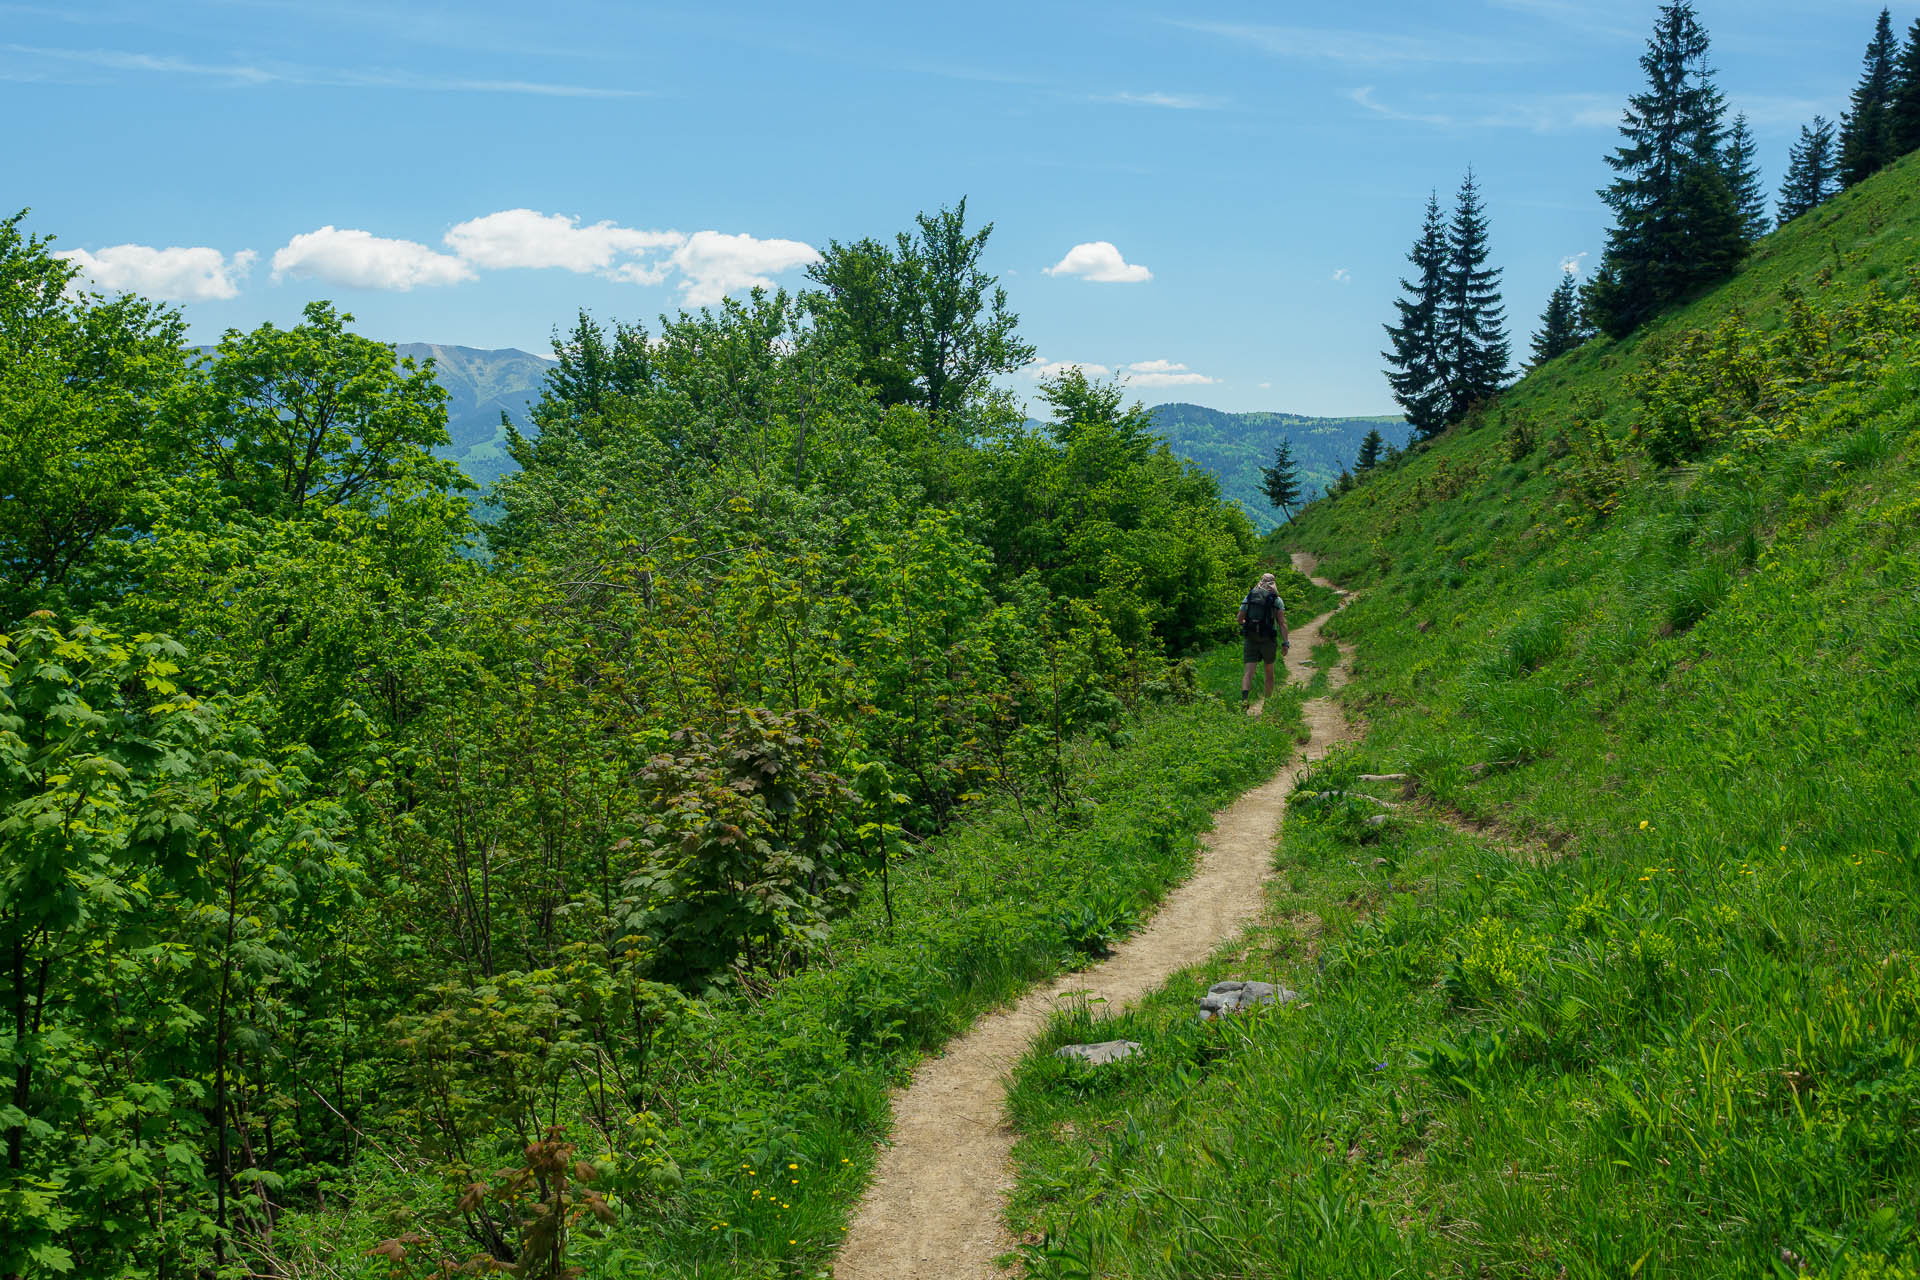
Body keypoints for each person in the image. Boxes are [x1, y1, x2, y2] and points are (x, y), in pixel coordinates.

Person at [1237, 572, 1288, 704]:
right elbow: (1282, 623)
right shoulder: (1276, 600)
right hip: (1268, 640)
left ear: (1260, 581)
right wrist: (1285, 642)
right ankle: (1268, 703)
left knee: (1248, 673)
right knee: (1269, 672)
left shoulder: (1250, 596)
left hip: (1251, 638)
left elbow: (1239, 619)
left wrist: (1250, 625)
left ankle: (1244, 700)